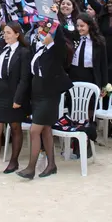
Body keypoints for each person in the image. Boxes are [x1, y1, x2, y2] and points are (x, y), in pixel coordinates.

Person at [16, 21, 73, 180]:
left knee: (35, 131)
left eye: (45, 31)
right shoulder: (39, 48)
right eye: (41, 30)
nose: (41, 32)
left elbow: (60, 38)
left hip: (49, 94)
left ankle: (31, 168)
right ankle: (52, 165)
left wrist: (55, 20)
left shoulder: (56, 50)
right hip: (37, 93)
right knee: (45, 129)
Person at [0, 20, 31, 178]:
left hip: (14, 92)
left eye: (9, 32)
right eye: (4, 32)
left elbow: (24, 79)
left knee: (15, 128)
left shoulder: (24, 52)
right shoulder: (0, 47)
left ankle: (14, 161)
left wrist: (18, 99)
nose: (5, 35)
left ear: (17, 34)